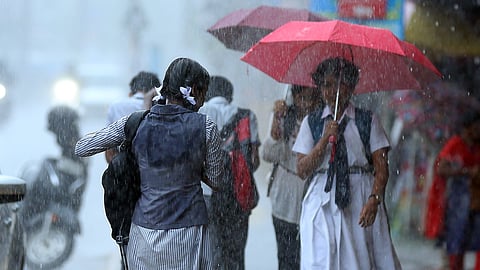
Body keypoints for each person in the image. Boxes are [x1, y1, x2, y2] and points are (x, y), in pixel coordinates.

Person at [75, 57, 224, 270]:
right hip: (189, 235)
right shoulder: (206, 127)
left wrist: (130, 147)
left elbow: (82, 147)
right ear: (193, 92)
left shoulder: (135, 122)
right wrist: (191, 165)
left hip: (143, 235)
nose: (203, 101)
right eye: (203, 93)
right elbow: (217, 180)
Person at [292, 57, 402, 269]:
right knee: (321, 260)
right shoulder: (312, 122)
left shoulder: (367, 120)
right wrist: (324, 140)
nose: (331, 90)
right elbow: (302, 169)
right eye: (326, 84)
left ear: (351, 86)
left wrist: (374, 199)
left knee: (359, 260)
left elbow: (381, 168)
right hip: (321, 200)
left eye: (338, 83)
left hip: (359, 196)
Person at [199, 75, 261, 270]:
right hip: (238, 194)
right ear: (230, 96)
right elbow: (254, 161)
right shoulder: (246, 116)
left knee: (211, 252)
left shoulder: (198, 114)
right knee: (235, 253)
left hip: (207, 195)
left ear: (207, 94)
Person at [262, 85, 323, 270]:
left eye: (311, 98)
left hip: (311, 198)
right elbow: (268, 154)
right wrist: (275, 129)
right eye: (301, 97)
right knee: (286, 257)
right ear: (293, 96)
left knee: (309, 258)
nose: (306, 104)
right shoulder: (283, 116)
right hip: (283, 198)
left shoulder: (321, 122)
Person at [436, 111, 480, 270]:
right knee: (456, 243)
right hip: (458, 201)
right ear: (468, 127)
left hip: (475, 201)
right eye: (476, 127)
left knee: (471, 240)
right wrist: (466, 172)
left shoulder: (476, 147)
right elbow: (441, 169)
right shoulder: (456, 143)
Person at [105, 71, 161, 163]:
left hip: (121, 170)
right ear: (155, 92)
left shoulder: (115, 107)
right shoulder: (160, 109)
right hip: (151, 168)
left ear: (131, 93)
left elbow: (109, 151)